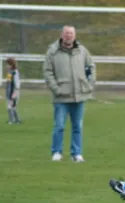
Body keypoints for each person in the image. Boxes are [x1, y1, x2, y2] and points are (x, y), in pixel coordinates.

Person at [43, 25, 93, 162]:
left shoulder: (82, 51)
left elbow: (91, 67)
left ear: (75, 35)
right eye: (66, 33)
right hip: (61, 97)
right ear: (61, 35)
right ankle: (56, 152)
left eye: (71, 33)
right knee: (59, 126)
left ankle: (76, 153)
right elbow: (47, 72)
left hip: (79, 96)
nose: (68, 36)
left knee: (77, 126)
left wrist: (89, 85)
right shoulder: (52, 51)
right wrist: (56, 89)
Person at [5, 57, 21, 124]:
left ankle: (12, 120)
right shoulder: (9, 72)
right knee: (12, 106)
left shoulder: (15, 72)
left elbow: (17, 83)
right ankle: (16, 120)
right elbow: (8, 82)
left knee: (10, 107)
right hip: (9, 92)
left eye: (7, 64)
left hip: (14, 92)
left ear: (11, 64)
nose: (6, 66)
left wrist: (15, 92)